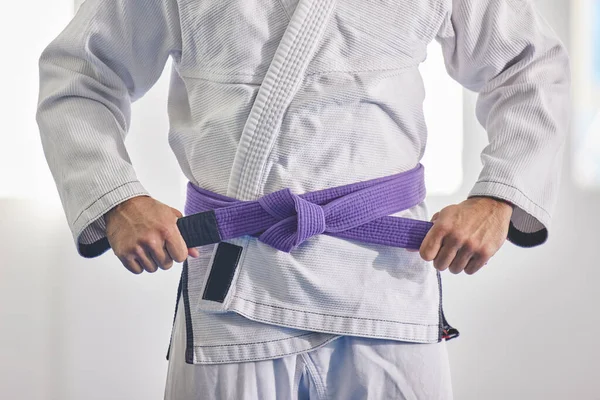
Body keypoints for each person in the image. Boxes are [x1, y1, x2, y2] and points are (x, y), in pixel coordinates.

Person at [36, 0, 570, 398]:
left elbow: (530, 68)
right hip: (235, 293)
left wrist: (498, 198)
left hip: (383, 289)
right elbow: (80, 76)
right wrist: (116, 199)